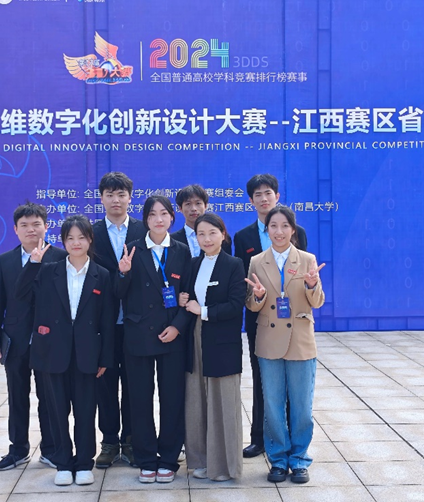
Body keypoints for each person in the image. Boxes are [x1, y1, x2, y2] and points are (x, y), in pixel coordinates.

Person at [15, 215, 114, 486]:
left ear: (90, 239)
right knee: (57, 412)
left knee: (85, 411)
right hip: (53, 354)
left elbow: (107, 321)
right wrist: (33, 264)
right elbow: (20, 295)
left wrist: (105, 357)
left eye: (81, 237)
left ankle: (83, 463)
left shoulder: (101, 275)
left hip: (87, 355)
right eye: (70, 238)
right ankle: (63, 463)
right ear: (63, 242)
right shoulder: (49, 271)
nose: (76, 243)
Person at [115, 195, 192, 484]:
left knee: (172, 399)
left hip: (171, 335)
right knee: (140, 399)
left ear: (172, 217)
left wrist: (178, 327)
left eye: (164, 213)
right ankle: (146, 458)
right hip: (138, 336)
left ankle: (169, 458)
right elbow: (117, 293)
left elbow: (189, 295)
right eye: (152, 214)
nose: (159, 219)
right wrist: (122, 274)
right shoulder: (132, 249)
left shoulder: (182, 251)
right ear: (145, 219)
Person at [245, 205, 325, 484]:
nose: (279, 232)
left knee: (302, 405)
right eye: (273, 226)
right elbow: (251, 305)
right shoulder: (257, 261)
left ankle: (300, 459)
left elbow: (317, 302)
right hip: (269, 342)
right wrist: (258, 296)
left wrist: (312, 285)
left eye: (284, 226)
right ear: (267, 230)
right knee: (273, 405)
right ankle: (278, 459)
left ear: (293, 229)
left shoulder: (307, 259)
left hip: (300, 341)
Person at [0, 202, 67, 471]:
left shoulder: (61, 257)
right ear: (15, 230)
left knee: (50, 398)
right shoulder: (5, 261)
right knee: (17, 396)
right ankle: (18, 449)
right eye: (24, 225)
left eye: (36, 224)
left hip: (50, 341)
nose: (31, 229)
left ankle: (51, 449)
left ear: (47, 226)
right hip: (15, 340)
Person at [233, 174, 307, 458]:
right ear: (251, 201)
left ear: (277, 196)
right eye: (258, 195)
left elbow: (302, 275)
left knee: (292, 383)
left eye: (268, 193)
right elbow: (243, 281)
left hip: (292, 321)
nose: (264, 199)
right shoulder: (243, 237)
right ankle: (260, 438)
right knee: (263, 379)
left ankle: (290, 441)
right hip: (260, 319)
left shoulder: (297, 231)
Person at [180, 213, 245, 481]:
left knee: (223, 401)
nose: (206, 239)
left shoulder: (234, 264)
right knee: (196, 399)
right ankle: (201, 460)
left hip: (222, 340)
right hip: (195, 337)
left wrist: (204, 310)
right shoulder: (194, 264)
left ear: (223, 234)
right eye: (201, 234)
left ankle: (225, 466)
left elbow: (236, 305)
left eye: (212, 233)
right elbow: (188, 297)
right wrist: (184, 299)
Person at [92, 172, 146, 469]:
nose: (116, 200)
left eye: (121, 194)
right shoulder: (90, 232)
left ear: (130, 198)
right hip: (103, 323)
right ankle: (110, 442)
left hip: (137, 322)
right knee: (105, 384)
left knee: (135, 384)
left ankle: (132, 441)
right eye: (110, 194)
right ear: (101, 198)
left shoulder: (142, 229)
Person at [171, 184, 232, 256]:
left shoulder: (220, 237)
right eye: (188, 204)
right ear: (180, 208)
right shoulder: (172, 240)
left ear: (205, 206)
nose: (194, 209)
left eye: (198, 203)